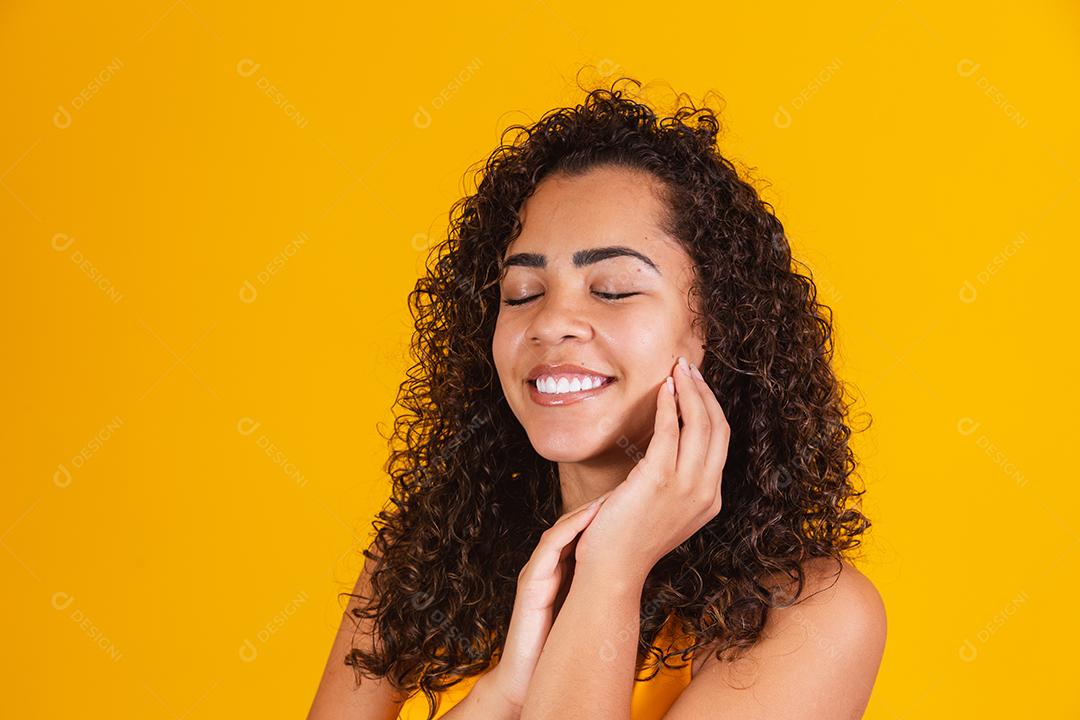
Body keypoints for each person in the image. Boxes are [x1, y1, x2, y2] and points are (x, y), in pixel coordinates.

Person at [307, 74, 886, 720]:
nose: (550, 322)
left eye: (612, 289)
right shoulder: (415, 560)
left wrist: (611, 568)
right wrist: (503, 692)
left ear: (718, 326)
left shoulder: (811, 617)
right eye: (522, 293)